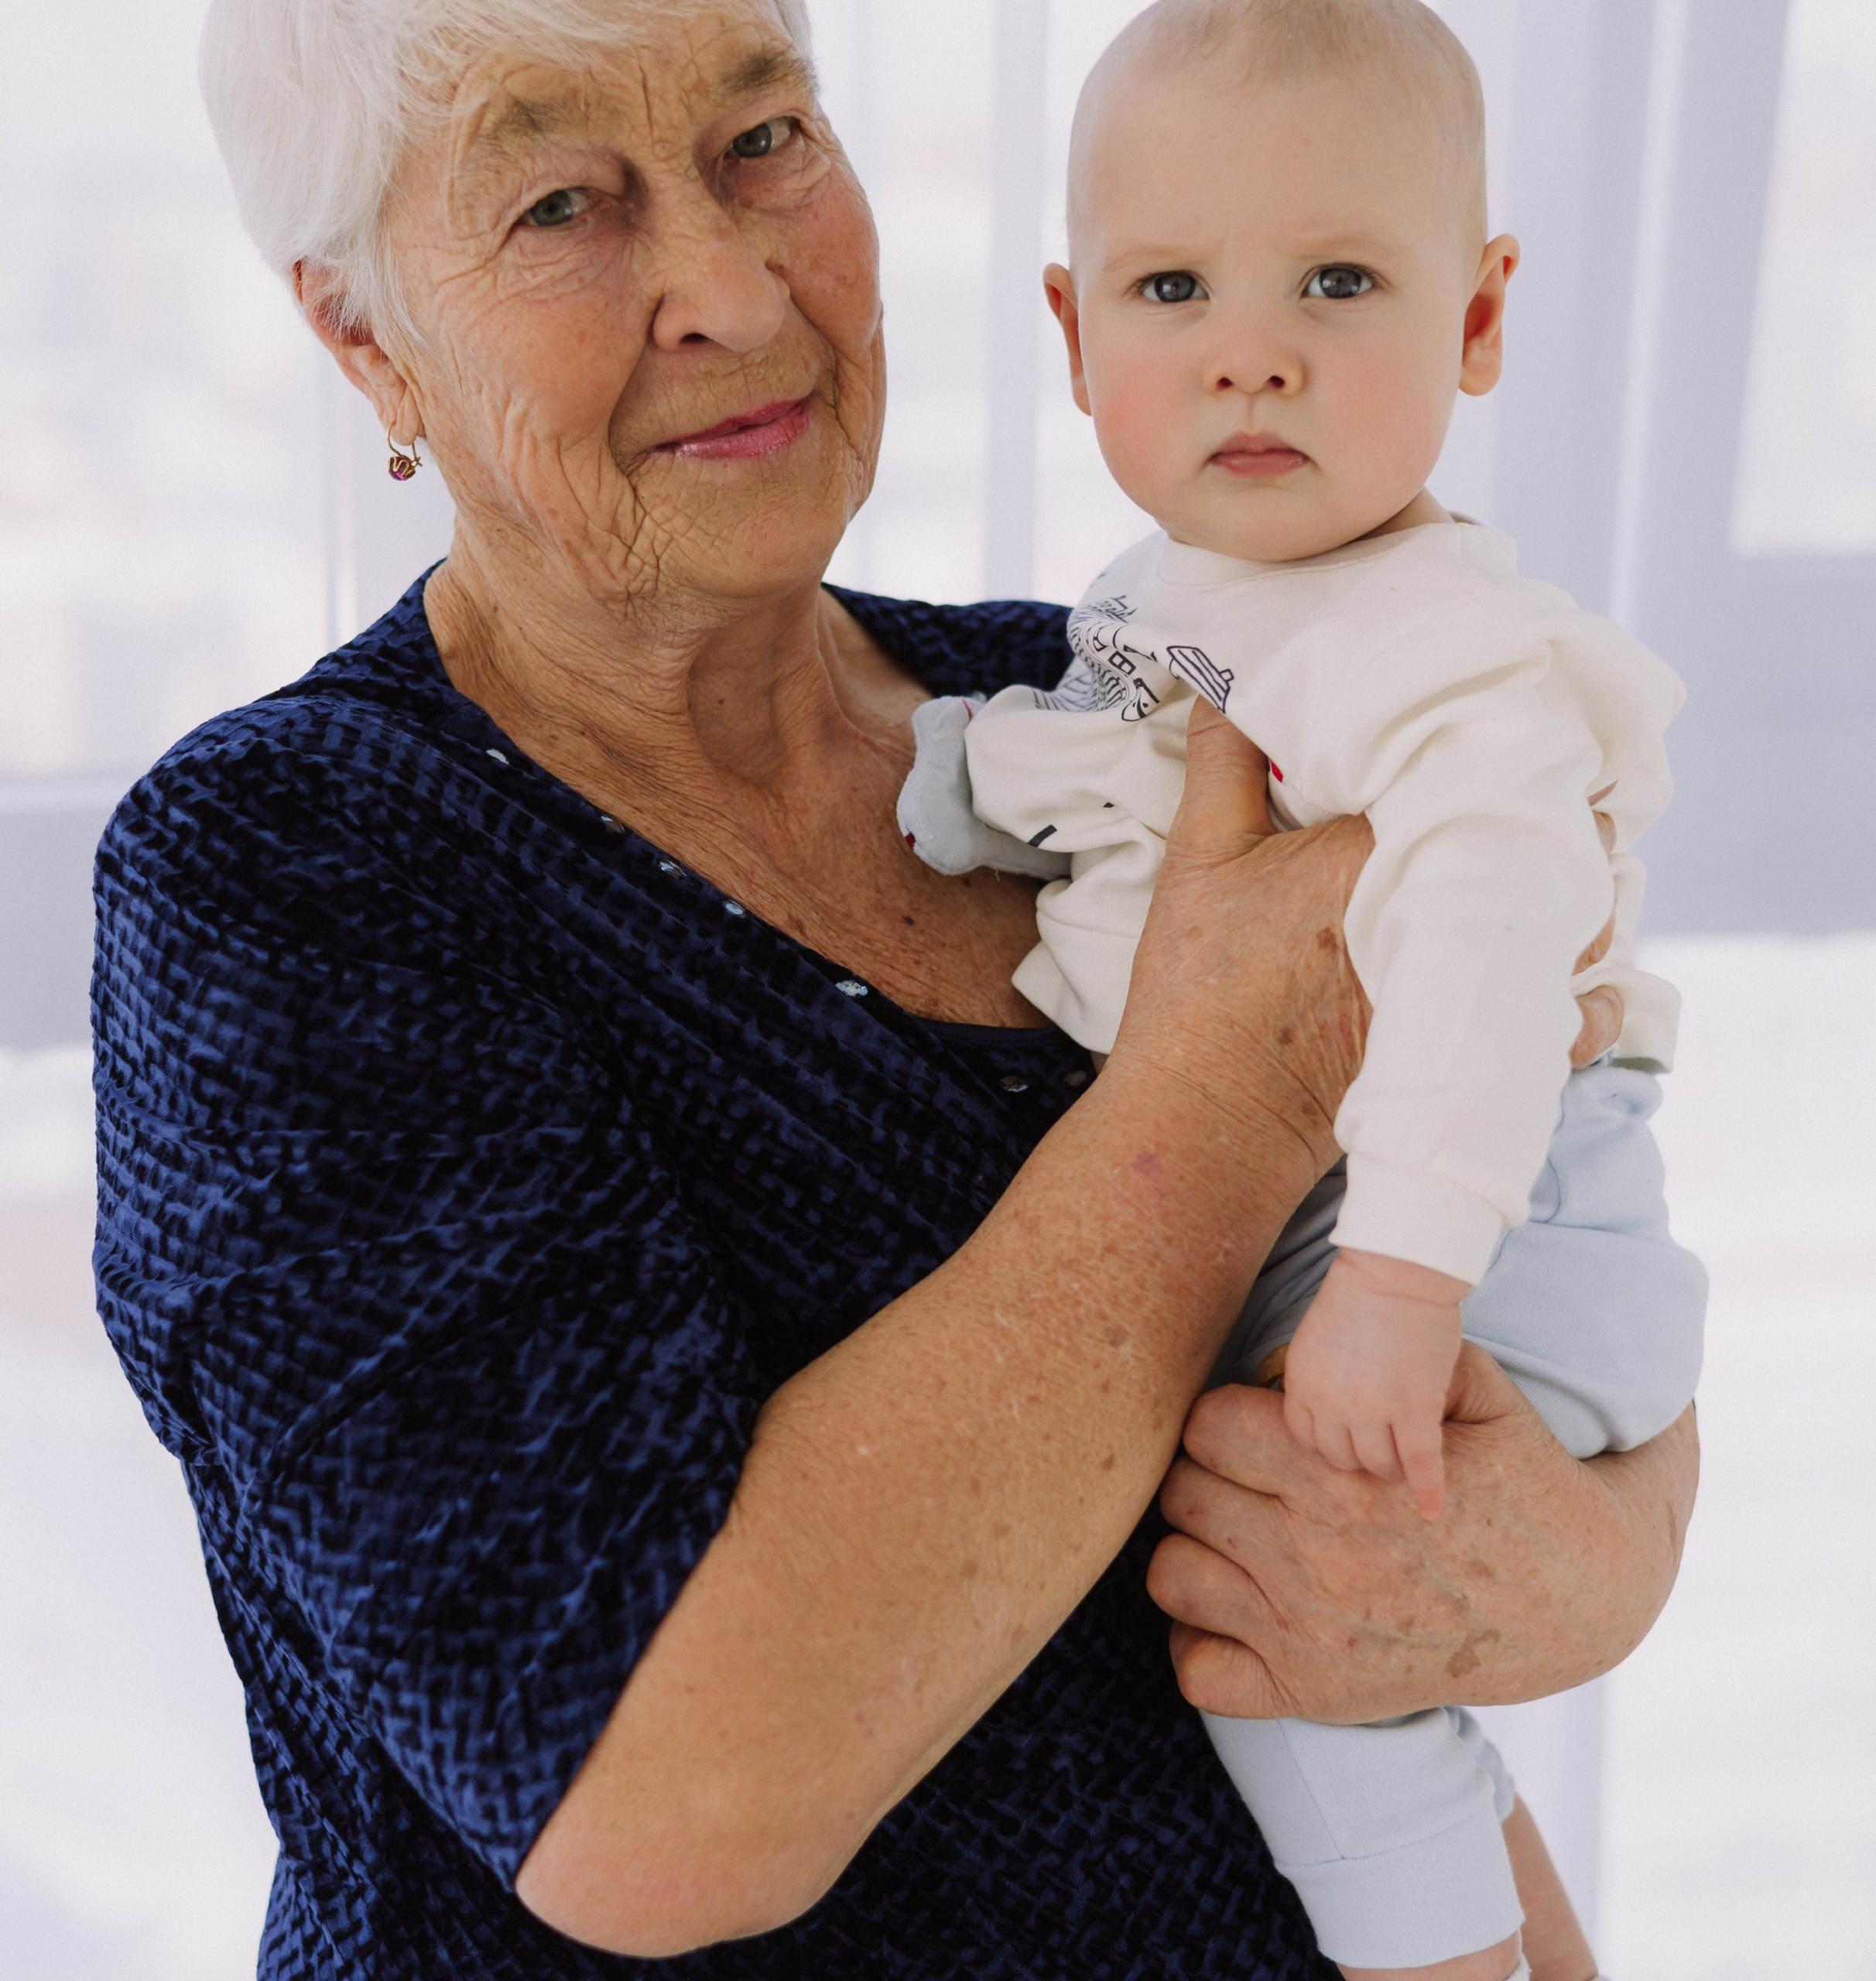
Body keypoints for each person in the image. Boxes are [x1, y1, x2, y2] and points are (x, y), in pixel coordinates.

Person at [90, 1, 1699, 1976]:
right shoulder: (292, 865)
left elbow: (1542, 1217)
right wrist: (1231, 1089)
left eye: (763, 140)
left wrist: (1606, 1556)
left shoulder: (1078, 696)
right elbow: (659, 1807)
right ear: (366, 337)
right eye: (562, 205)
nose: (725, 285)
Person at [895, 4, 1706, 1978]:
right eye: (1172, 287)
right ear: (1071, 334)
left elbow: (1498, 942)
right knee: (1324, 1627)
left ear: (1477, 317)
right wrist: (976, 778)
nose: (1249, 350)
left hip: (1481, 1224)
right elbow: (1139, 781)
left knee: (1299, 1646)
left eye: (1335, 281)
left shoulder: (1436, 648)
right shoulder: (1175, 593)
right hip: (1391, 1208)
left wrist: (1402, 1286)